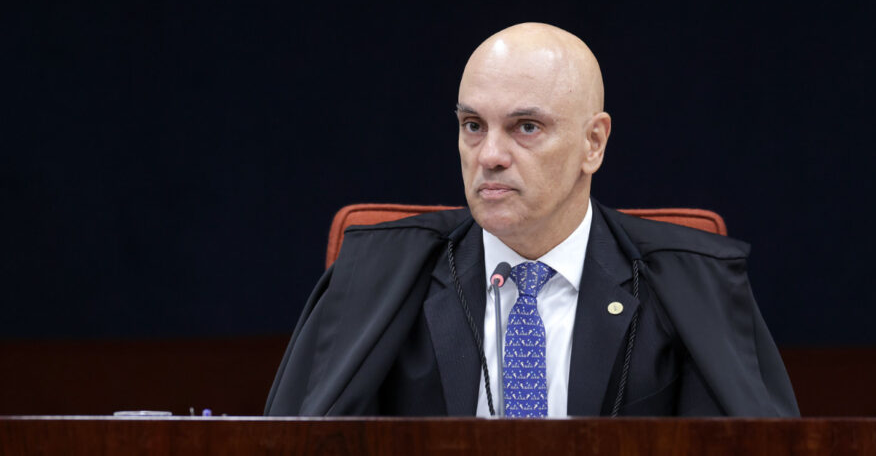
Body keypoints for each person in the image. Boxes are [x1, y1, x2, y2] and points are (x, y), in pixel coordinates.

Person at [265, 23, 798, 417]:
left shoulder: (691, 282)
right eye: (473, 125)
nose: (490, 155)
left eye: (525, 127)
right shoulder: (376, 275)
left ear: (593, 143)